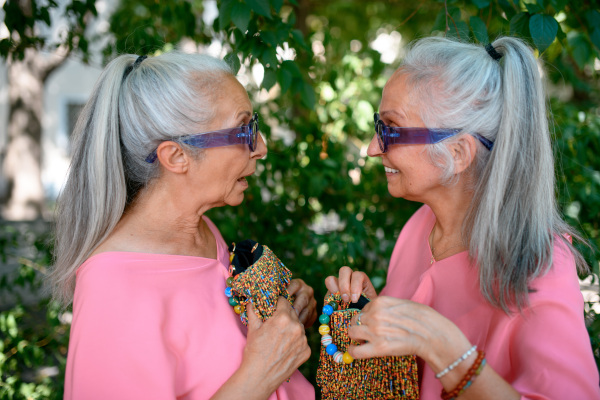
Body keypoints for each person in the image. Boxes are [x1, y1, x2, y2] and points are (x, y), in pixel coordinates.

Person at [326, 36, 600, 399]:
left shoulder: (539, 262)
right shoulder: (419, 225)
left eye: (390, 129)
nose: (374, 148)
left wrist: (443, 346)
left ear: (458, 153)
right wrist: (377, 315)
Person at [50, 52, 317, 400]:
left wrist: (285, 316)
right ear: (176, 157)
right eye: (244, 130)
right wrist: (260, 374)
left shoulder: (203, 232)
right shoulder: (113, 287)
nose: (261, 147)